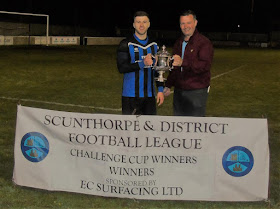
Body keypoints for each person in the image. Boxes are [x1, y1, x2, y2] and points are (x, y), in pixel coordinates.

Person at [164, 10, 214, 116]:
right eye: (182, 23)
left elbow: (204, 66)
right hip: (179, 91)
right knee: (178, 126)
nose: (185, 26)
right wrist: (168, 85)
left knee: (195, 127)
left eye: (188, 22)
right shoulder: (178, 43)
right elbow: (175, 67)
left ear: (195, 23)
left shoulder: (204, 42)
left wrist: (183, 62)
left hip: (196, 91)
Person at [117, 11, 164, 115]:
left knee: (149, 129)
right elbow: (122, 68)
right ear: (134, 24)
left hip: (150, 96)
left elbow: (158, 69)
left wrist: (160, 89)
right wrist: (143, 63)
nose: (141, 25)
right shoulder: (125, 44)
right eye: (138, 22)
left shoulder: (155, 45)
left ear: (149, 24)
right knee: (130, 130)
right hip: (131, 96)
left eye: (144, 22)